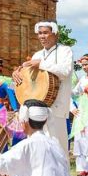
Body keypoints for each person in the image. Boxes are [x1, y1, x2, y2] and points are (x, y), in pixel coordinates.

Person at [13, 22, 73, 153]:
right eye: (40, 33)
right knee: (37, 148)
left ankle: (60, 174)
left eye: (46, 33)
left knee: (58, 148)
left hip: (57, 107)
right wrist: (18, 74)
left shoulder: (65, 51)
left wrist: (41, 64)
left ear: (55, 34)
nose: (42, 36)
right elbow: (29, 79)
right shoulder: (37, 54)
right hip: (36, 110)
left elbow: (65, 71)